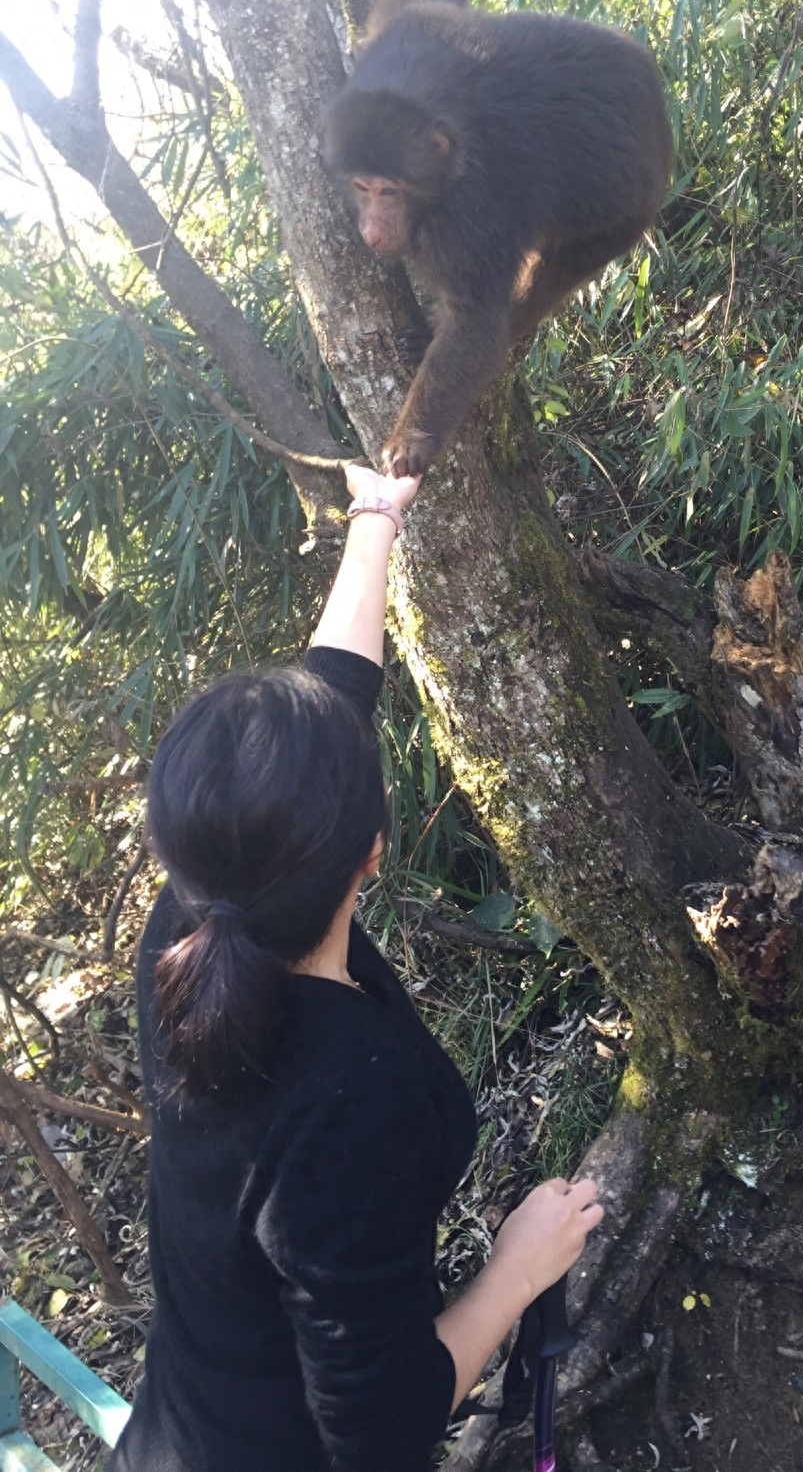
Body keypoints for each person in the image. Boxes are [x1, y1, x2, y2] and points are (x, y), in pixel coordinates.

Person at [109, 465, 603, 1472]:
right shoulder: (348, 1104)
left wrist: (376, 515)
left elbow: (334, 692)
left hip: (179, 1429)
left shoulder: (186, 930)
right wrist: (515, 1271)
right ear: (374, 847)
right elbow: (376, 1430)